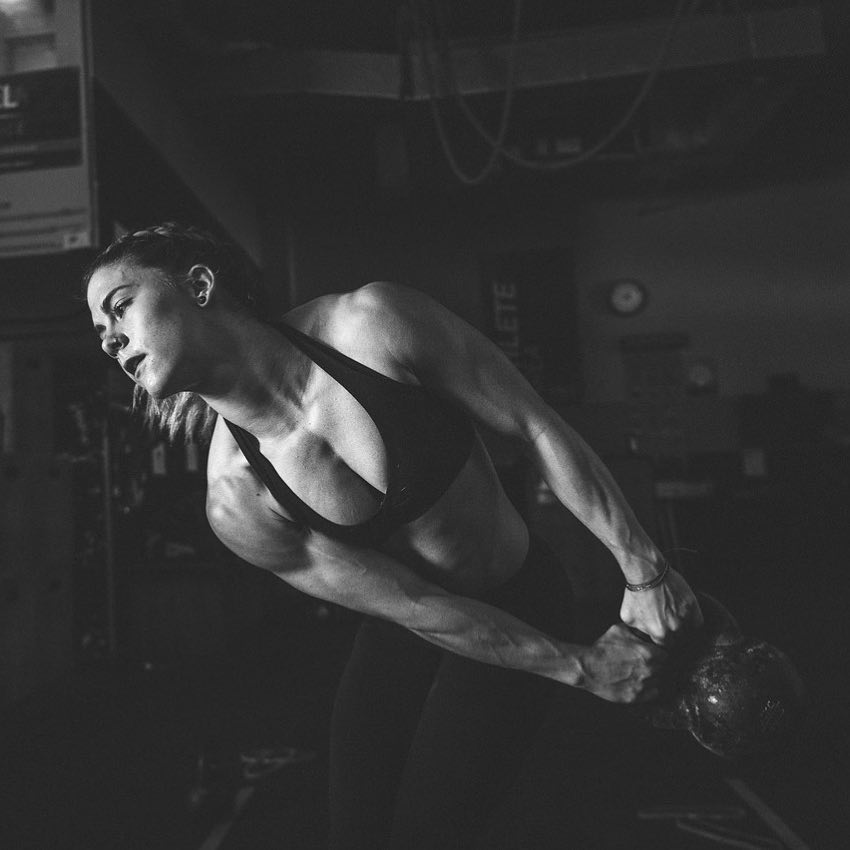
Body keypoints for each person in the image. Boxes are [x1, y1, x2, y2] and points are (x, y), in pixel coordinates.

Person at [84, 223, 702, 849]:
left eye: (120, 306)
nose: (109, 339)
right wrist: (589, 667)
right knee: (357, 833)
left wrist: (644, 571)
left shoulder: (374, 326)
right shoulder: (238, 500)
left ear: (199, 285)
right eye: (100, 332)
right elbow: (413, 605)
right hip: (408, 626)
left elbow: (534, 427)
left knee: (427, 833)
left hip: (519, 591)